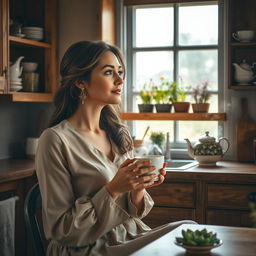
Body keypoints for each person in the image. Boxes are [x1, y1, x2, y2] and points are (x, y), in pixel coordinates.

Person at [36, 40, 196, 256]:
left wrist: (138, 186)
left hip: (129, 237)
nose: (120, 80)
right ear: (81, 82)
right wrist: (113, 189)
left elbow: (134, 214)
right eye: (109, 72)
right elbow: (62, 230)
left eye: (120, 71)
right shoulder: (55, 140)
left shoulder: (118, 133)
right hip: (89, 248)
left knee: (188, 228)